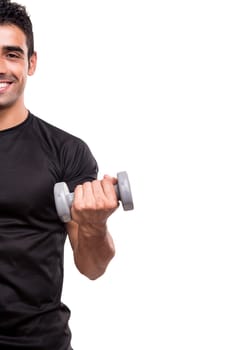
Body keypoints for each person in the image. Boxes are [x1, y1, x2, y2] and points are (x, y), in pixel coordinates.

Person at [0, 0, 118, 349]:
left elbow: (93, 266)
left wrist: (94, 223)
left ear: (31, 63)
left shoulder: (66, 152)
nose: (0, 66)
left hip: (38, 342)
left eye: (12, 54)